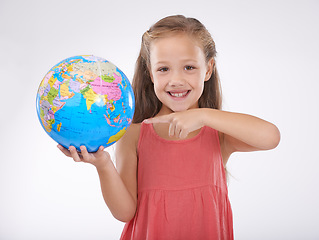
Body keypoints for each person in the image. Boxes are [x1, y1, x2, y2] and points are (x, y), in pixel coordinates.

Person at [58, 15, 280, 240]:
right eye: (164, 69)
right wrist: (104, 165)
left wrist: (203, 115)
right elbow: (125, 212)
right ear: (150, 72)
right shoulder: (134, 132)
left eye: (189, 67)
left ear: (208, 69)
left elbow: (271, 137)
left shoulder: (218, 131)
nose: (176, 80)